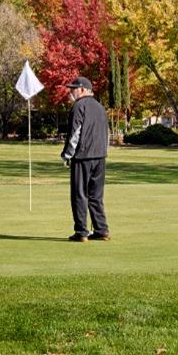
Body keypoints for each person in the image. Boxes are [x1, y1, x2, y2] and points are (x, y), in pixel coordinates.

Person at [61, 76, 110, 241]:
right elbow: (106, 133)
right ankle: (101, 229)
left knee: (79, 194)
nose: (71, 92)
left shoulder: (78, 106)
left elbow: (75, 133)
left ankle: (81, 232)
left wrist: (67, 154)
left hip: (83, 156)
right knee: (96, 195)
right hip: (100, 156)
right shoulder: (101, 107)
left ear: (82, 89)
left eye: (73, 89)